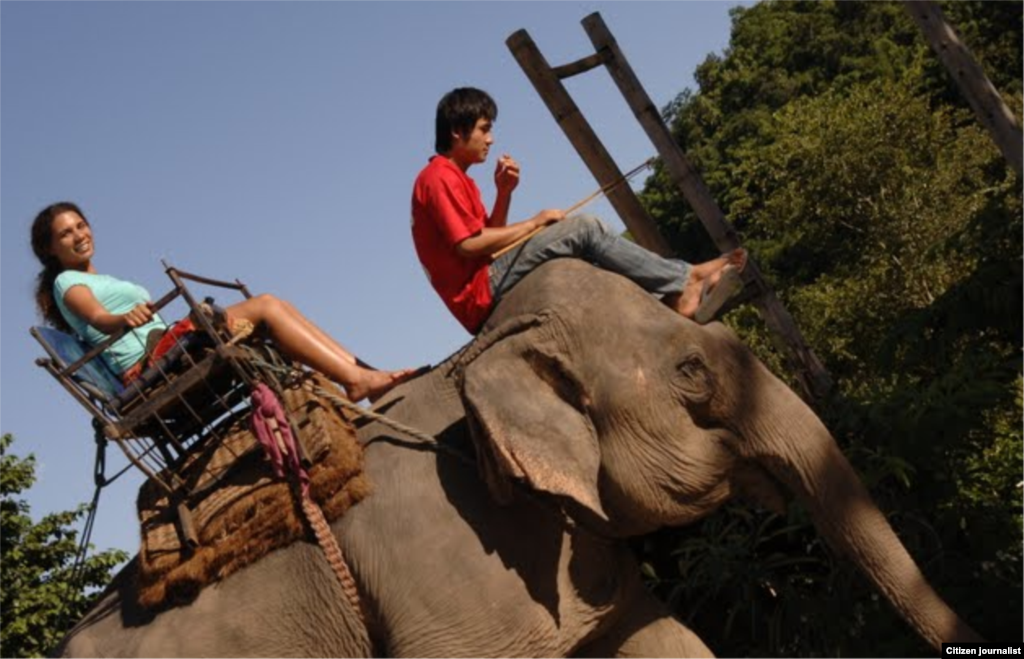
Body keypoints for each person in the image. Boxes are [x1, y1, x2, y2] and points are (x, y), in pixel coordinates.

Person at [411, 87, 748, 334]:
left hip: (483, 278)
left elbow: (491, 242)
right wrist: (535, 222)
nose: (491, 139)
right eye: (484, 129)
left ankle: (668, 293)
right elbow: (469, 245)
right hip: (478, 291)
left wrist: (504, 193)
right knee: (584, 228)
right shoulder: (439, 176)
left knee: (574, 239)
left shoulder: (459, 179)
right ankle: (685, 280)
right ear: (458, 131)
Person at [31, 201, 412, 403]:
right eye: (66, 234)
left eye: (81, 225)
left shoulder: (100, 277)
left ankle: (359, 371)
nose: (79, 235)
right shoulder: (67, 282)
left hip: (166, 346)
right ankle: (357, 380)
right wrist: (123, 318)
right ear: (50, 249)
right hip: (151, 363)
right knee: (265, 306)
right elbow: (98, 317)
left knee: (276, 304)